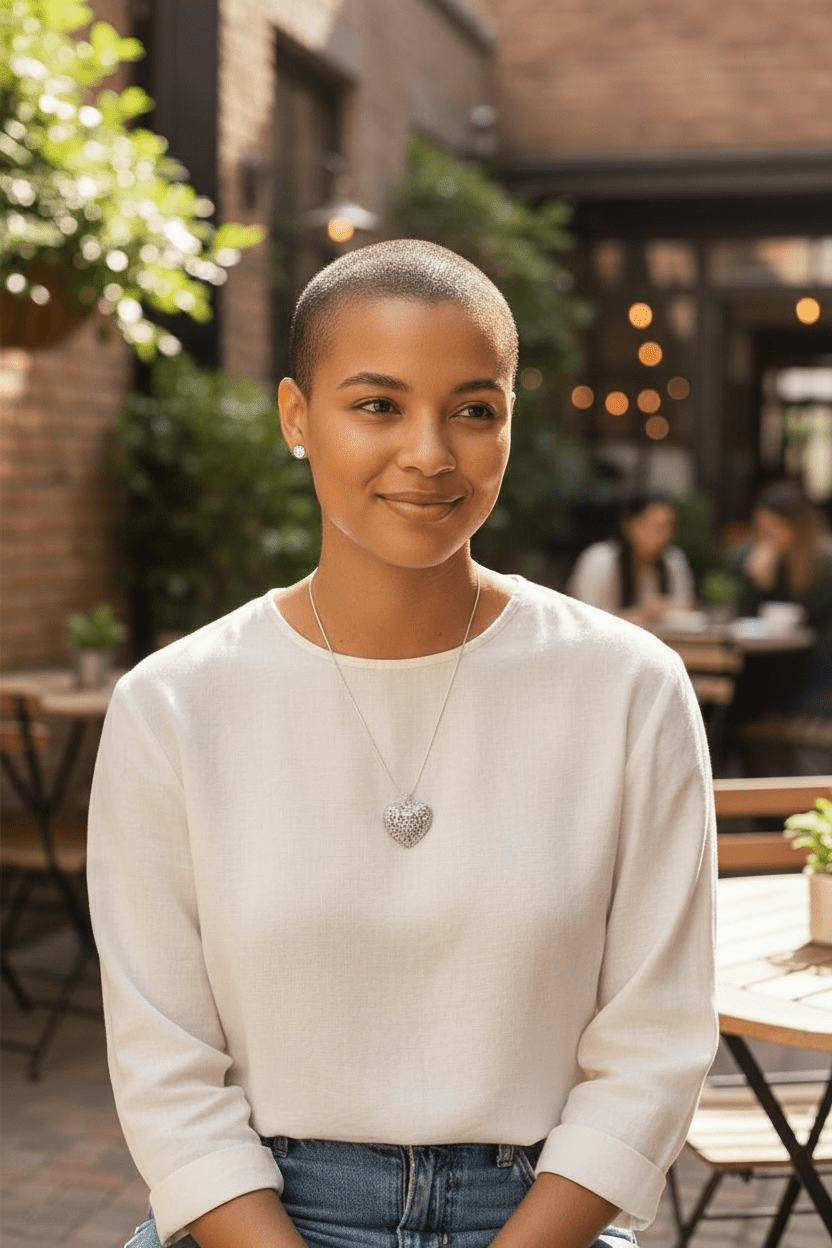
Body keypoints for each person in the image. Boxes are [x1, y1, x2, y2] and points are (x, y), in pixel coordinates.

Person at [87, 240, 717, 1248]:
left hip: (540, 1217)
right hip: (259, 1218)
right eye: (377, 405)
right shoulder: (174, 705)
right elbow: (166, 1069)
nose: (429, 453)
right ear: (297, 417)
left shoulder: (627, 688)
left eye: (473, 410)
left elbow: (656, 1045)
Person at [728, 479, 832, 720]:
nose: (770, 537)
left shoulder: (821, 564)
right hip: (765, 663)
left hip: (810, 666)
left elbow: (813, 618)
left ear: (797, 527)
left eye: (776, 528)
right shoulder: (748, 556)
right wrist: (755, 582)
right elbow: (739, 612)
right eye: (764, 530)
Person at [567, 496, 695, 624]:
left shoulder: (673, 560)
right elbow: (582, 618)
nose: (664, 535)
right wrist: (644, 613)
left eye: (669, 527)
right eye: (656, 526)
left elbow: (686, 607)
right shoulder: (600, 559)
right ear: (630, 524)